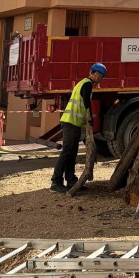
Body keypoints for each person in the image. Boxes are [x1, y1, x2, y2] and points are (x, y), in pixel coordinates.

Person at [51, 62, 103, 193]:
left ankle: (71, 180)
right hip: (71, 123)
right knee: (67, 151)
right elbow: (86, 100)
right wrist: (89, 116)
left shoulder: (82, 82)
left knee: (72, 152)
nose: (101, 79)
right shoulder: (88, 84)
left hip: (72, 123)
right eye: (101, 76)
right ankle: (56, 182)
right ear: (96, 74)